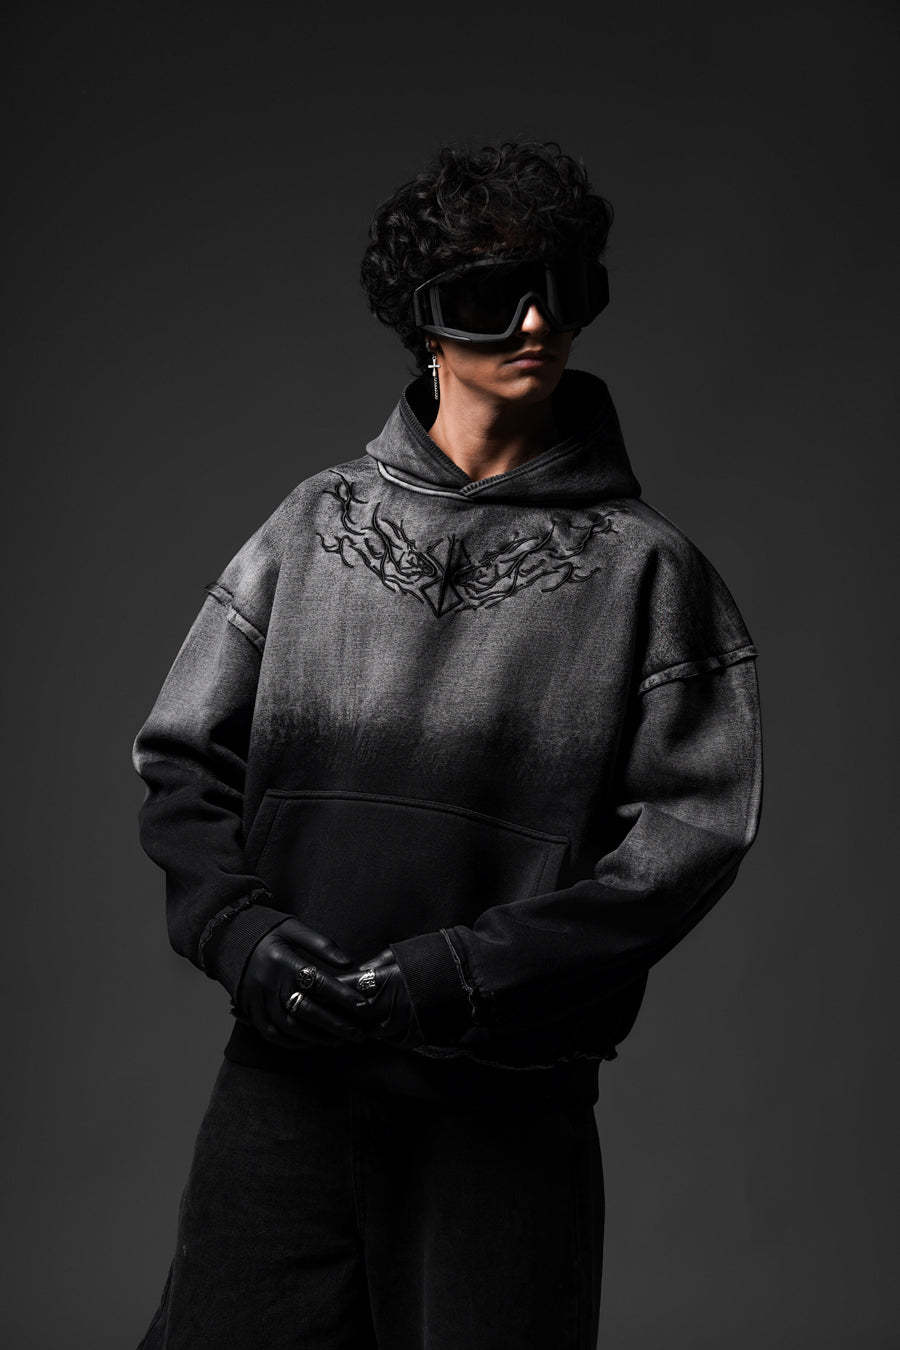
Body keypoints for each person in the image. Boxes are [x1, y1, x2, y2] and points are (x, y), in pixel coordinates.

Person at [131, 138, 763, 1349]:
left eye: (564, 289)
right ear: (424, 323)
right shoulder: (311, 527)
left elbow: (686, 845)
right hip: (287, 1085)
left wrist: (466, 975)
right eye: (491, 295)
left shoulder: (646, 572)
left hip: (501, 1111)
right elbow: (180, 761)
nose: (535, 323)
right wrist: (238, 936)